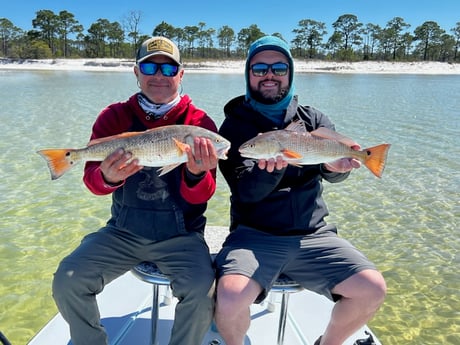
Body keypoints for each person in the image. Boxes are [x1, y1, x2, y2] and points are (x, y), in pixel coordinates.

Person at [214, 36, 387, 345]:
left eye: (279, 67)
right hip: (255, 235)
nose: (270, 74)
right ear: (248, 74)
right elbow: (245, 193)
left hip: (313, 234)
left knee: (373, 288)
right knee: (228, 298)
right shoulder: (232, 130)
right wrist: (272, 172)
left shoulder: (315, 120)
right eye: (260, 68)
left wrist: (334, 169)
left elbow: (329, 169)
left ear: (290, 73)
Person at [52, 36, 217, 345]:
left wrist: (196, 174)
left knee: (202, 290)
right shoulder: (113, 117)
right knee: (67, 280)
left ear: (181, 75)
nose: (159, 76)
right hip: (123, 231)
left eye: (168, 69)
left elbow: (204, 194)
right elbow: (93, 184)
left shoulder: (199, 124)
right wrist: (108, 177)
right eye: (150, 66)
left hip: (182, 235)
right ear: (136, 71)